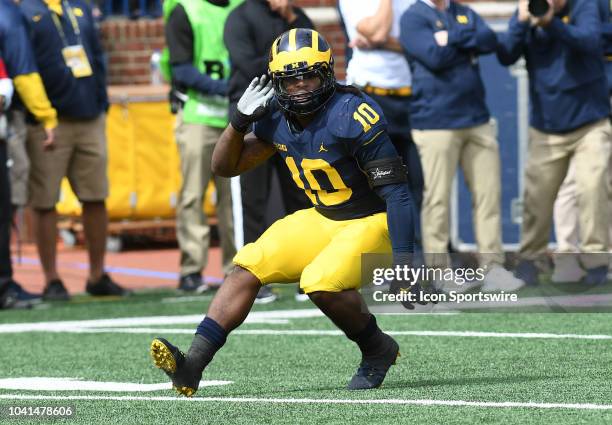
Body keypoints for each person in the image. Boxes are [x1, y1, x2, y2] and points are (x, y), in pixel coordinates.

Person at [150, 28, 432, 395]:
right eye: (290, 78)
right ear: (276, 81)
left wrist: (406, 262)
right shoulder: (274, 115)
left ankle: (376, 347)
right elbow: (224, 166)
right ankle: (192, 367)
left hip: (372, 220)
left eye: (309, 75)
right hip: (324, 216)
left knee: (319, 281)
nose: (300, 86)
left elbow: (398, 194)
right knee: (246, 266)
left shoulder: (353, 114)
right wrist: (237, 121)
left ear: (327, 73)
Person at [399, 0, 524, 292]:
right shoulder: (413, 17)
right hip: (435, 123)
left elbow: (489, 40)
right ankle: (440, 273)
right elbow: (433, 57)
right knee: (437, 200)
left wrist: (450, 38)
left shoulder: (464, 12)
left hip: (476, 119)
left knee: (488, 196)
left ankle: (492, 269)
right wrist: (464, 40)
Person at [20, 0, 130, 300]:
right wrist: (40, 115)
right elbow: (25, 63)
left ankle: (97, 275)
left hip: (89, 117)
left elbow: (96, 55)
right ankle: (51, 279)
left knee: (96, 196)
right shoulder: (26, 10)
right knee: (44, 201)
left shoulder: (79, 8)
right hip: (49, 123)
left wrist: (101, 101)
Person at [497, 0, 611, 286]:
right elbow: (506, 55)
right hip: (547, 128)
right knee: (537, 200)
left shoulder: (587, 4)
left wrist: (552, 23)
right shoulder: (527, 9)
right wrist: (522, 22)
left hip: (591, 123)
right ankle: (530, 261)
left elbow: (590, 41)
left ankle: (596, 262)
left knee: (592, 188)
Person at [223, 0, 313, 303]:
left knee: (302, 195)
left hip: (292, 118)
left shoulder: (297, 17)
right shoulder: (239, 17)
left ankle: (308, 274)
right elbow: (247, 65)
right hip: (253, 119)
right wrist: (293, 63)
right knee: (252, 202)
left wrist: (289, 19)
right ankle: (251, 279)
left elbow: (316, 64)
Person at [162, 0, 240, 292]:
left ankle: (236, 269)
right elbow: (180, 68)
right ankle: (191, 270)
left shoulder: (240, 7)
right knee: (193, 194)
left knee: (232, 199)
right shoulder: (186, 9)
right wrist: (226, 88)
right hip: (199, 115)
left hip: (234, 118)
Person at [339, 0, 424, 252]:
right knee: (381, 185)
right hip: (371, 97)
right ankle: (382, 259)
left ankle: (417, 260)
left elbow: (421, 45)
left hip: (411, 99)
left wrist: (383, 43)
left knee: (419, 184)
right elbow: (377, 30)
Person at [0, 0, 60, 309]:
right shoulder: (8, 13)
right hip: (9, 122)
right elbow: (22, 73)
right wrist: (47, 115)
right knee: (5, 202)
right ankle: (3, 282)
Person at [550, 0, 612, 282]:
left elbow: (593, 35)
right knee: (573, 181)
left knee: (601, 181)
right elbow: (588, 37)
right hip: (587, 96)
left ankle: (601, 257)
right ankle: (566, 257)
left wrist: (595, 35)